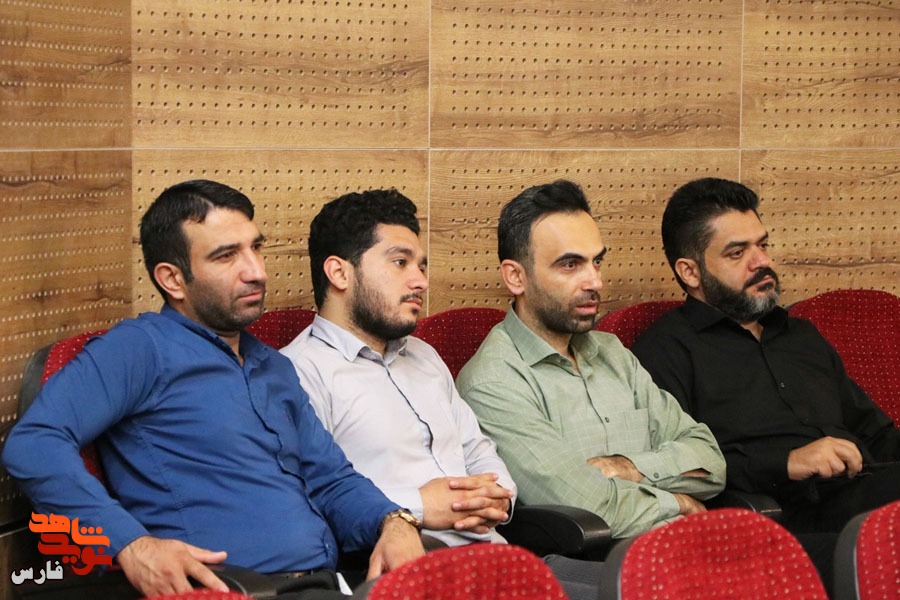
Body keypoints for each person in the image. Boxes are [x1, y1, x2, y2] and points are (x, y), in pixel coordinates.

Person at [2, 180, 424, 599]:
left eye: (256, 248)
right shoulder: (140, 348)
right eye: (226, 256)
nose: (256, 272)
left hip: (332, 582)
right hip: (233, 590)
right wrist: (131, 545)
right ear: (173, 279)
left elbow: (331, 479)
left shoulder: (273, 366)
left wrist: (393, 521)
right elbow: (34, 444)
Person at [280, 189, 604, 600]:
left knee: (645, 581)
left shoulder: (425, 356)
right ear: (340, 273)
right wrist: (417, 506)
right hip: (416, 573)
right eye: (400, 263)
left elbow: (479, 450)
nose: (420, 281)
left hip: (500, 557)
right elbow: (310, 503)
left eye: (421, 265)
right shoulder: (298, 372)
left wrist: (496, 498)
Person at [456, 180, 726, 539]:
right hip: (599, 561)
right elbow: (589, 507)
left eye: (596, 261)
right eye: (570, 264)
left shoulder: (613, 352)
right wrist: (680, 503)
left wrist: (629, 467)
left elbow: (710, 462)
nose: (595, 281)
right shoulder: (493, 381)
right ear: (516, 277)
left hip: (688, 545)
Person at [631, 177, 900, 535]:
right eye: (737, 253)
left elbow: (876, 434)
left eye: (762, 244)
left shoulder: (801, 335)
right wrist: (785, 462)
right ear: (690, 272)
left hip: (870, 493)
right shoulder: (665, 350)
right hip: (784, 521)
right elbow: (673, 466)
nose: (763, 261)